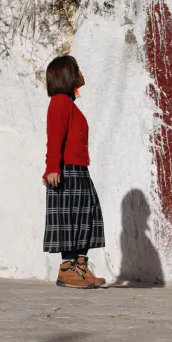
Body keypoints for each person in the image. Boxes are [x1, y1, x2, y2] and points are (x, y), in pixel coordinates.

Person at [42, 55, 106, 288]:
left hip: (79, 171)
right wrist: (51, 168)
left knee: (86, 217)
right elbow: (54, 138)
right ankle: (67, 269)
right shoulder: (60, 102)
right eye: (78, 70)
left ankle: (80, 268)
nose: (81, 74)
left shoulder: (69, 103)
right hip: (67, 172)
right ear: (68, 75)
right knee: (69, 219)